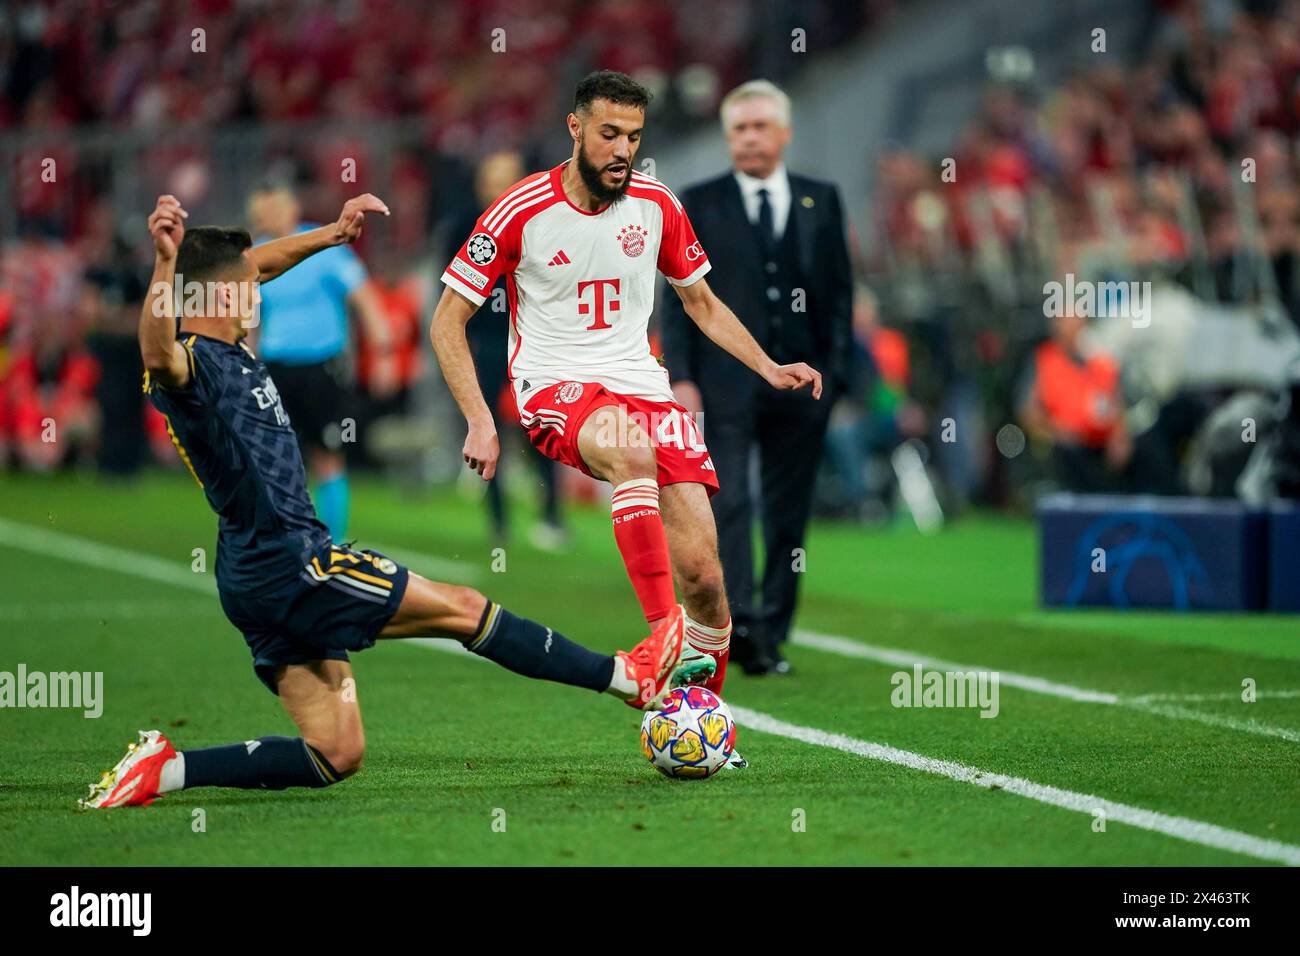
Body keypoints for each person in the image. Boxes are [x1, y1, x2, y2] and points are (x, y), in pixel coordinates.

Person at [78, 194, 684, 810]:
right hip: (297, 565)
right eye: (248, 283)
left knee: (335, 752)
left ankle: (167, 768)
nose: (259, 289)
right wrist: (162, 264)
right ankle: (625, 678)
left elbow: (255, 264)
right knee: (464, 609)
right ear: (217, 296)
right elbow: (157, 351)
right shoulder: (194, 365)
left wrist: (332, 235)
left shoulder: (227, 342)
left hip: (250, 574)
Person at [432, 71, 822, 769]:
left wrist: (769, 366)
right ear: (576, 127)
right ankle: (658, 634)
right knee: (630, 450)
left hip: (643, 385)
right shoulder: (518, 211)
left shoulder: (656, 205)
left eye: (634, 138)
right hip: (554, 385)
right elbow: (447, 320)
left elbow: (700, 304)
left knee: (707, 573)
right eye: (610, 134)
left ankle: (696, 718)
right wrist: (478, 419)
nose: (622, 150)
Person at [661, 80, 853, 675]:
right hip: (725, 381)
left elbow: (839, 296)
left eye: (759, 127)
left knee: (788, 510)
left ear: (784, 134)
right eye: (738, 128)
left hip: (805, 386)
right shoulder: (698, 200)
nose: (748, 138)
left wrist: (836, 377)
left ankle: (773, 628)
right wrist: (683, 376)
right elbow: (679, 298)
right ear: (727, 136)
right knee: (733, 501)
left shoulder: (822, 199)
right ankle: (738, 622)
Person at [246, 183, 396, 541]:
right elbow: (249, 317)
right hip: (275, 367)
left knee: (328, 454)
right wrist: (246, 362)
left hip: (321, 366)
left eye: (277, 208)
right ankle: (285, 535)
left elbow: (363, 297)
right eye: (265, 211)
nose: (272, 217)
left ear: (292, 207)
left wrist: (384, 351)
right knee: (276, 456)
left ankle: (334, 540)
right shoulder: (256, 255)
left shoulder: (321, 244)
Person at [445, 151, 567, 548]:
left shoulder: (542, 223)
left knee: (544, 426)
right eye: (494, 179)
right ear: (481, 185)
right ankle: (499, 522)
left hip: (537, 341)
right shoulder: (464, 227)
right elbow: (448, 298)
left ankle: (551, 519)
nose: (501, 188)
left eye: (508, 179)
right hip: (490, 343)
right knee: (488, 427)